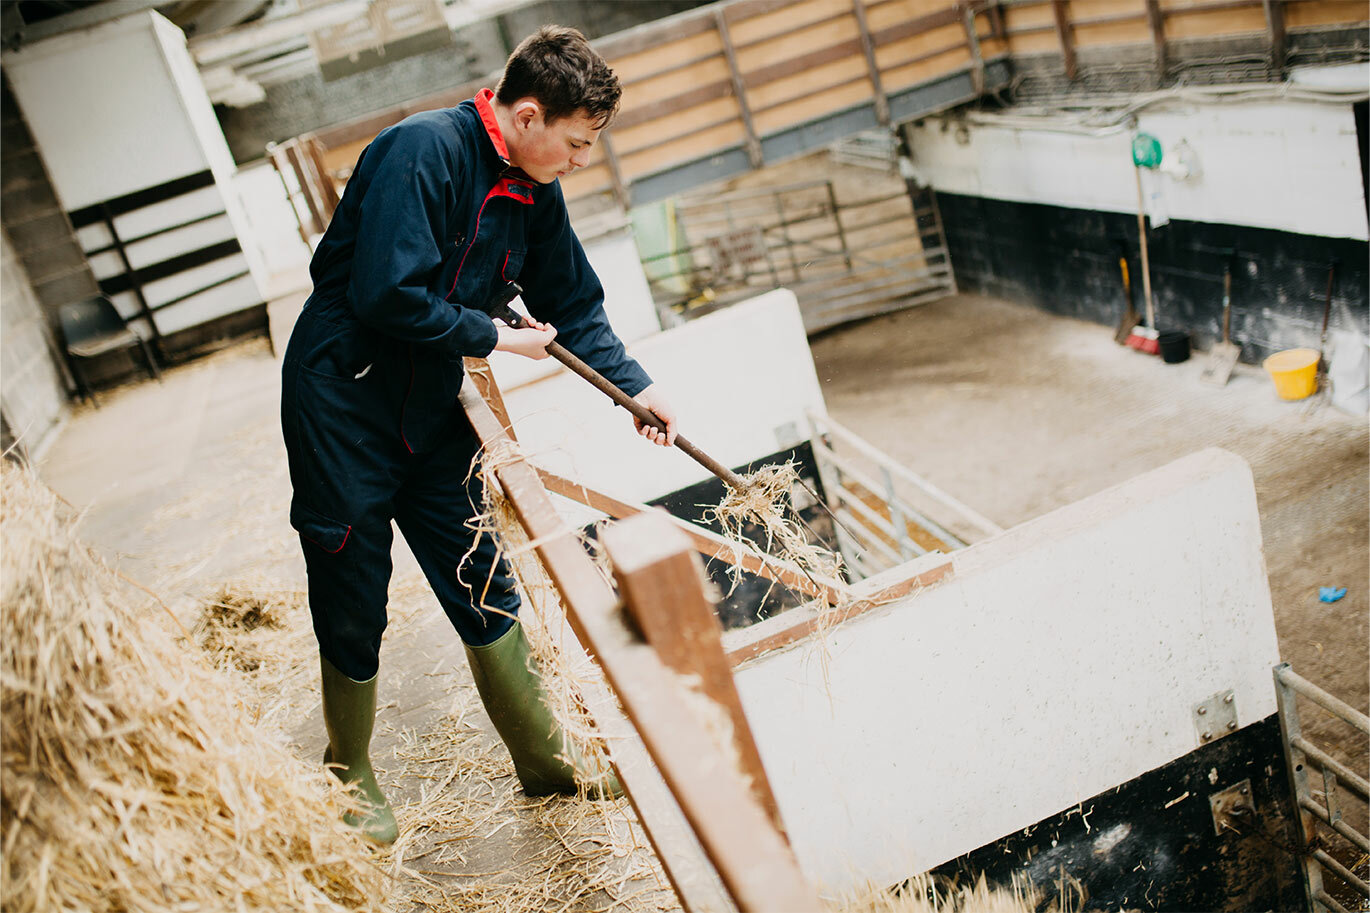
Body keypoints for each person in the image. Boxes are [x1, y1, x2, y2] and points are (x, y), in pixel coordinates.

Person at [280, 25, 677, 844]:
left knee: (477, 566)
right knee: (353, 581)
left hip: (428, 398)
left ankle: (543, 757)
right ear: (526, 116)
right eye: (575, 143)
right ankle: (349, 770)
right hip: (344, 394)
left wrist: (637, 391)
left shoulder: (534, 189)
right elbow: (387, 293)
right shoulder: (421, 151)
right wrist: (495, 334)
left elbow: (572, 304)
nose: (579, 161)